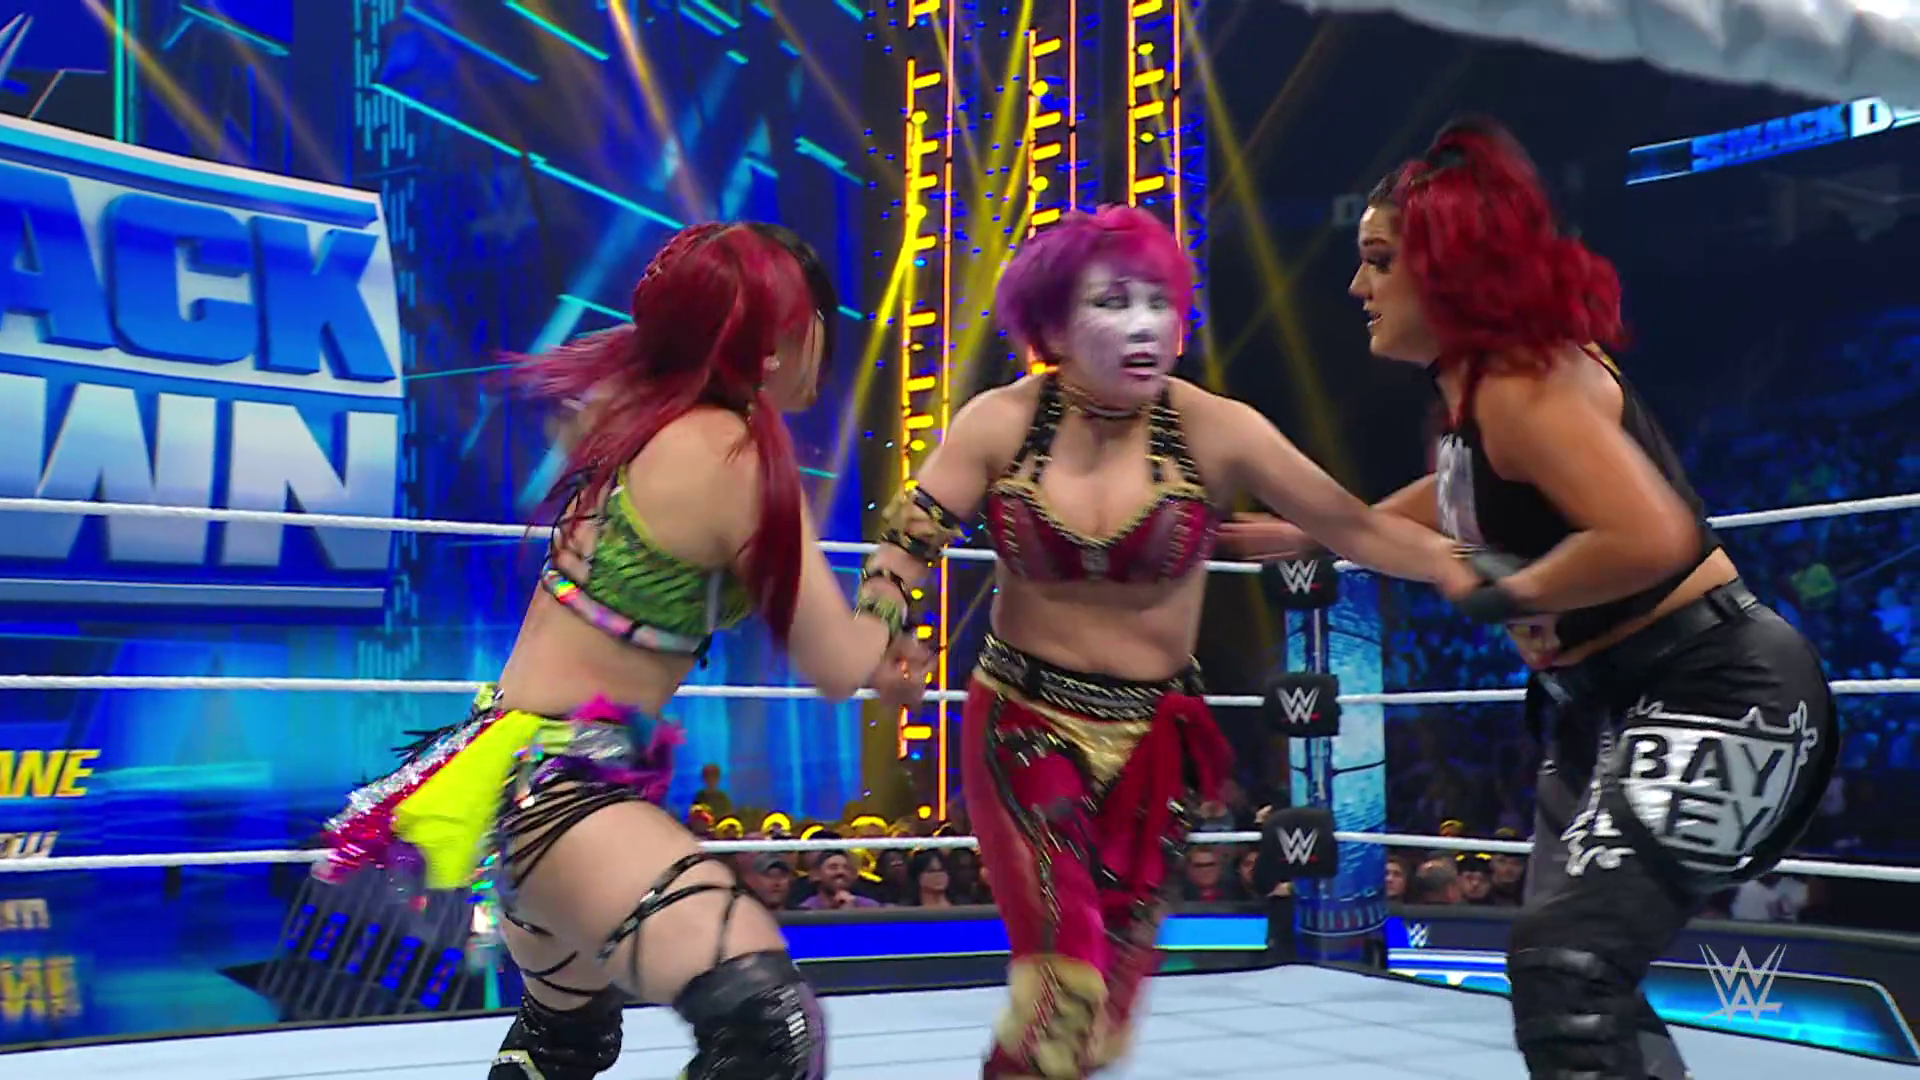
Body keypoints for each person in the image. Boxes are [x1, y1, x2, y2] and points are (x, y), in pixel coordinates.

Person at [1223, 118, 1838, 1079]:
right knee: (1577, 972)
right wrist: (1327, 531)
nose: (1356, 288)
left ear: (1450, 271)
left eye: (1379, 262)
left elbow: (1653, 538)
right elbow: (1460, 494)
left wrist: (1510, 590)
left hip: (1715, 693)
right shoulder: (1481, 390)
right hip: (1605, 706)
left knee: (1568, 964)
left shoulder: (1523, 381)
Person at [859, 204, 1476, 1079]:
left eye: (1159, 301)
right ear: (1053, 328)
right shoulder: (1001, 422)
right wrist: (886, 633)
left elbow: (1356, 527)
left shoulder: (1218, 428)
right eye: (1112, 303)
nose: (1144, 325)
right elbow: (906, 540)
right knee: (1065, 975)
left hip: (1155, 740)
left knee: (1105, 1009)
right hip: (1024, 724)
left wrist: (1471, 568)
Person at [315, 222, 927, 1080]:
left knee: (566, 1042)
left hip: (529, 784)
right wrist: (894, 579)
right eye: (815, 320)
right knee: (767, 1028)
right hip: (566, 800)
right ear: (779, 340)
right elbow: (835, 666)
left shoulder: (637, 414)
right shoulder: (731, 456)